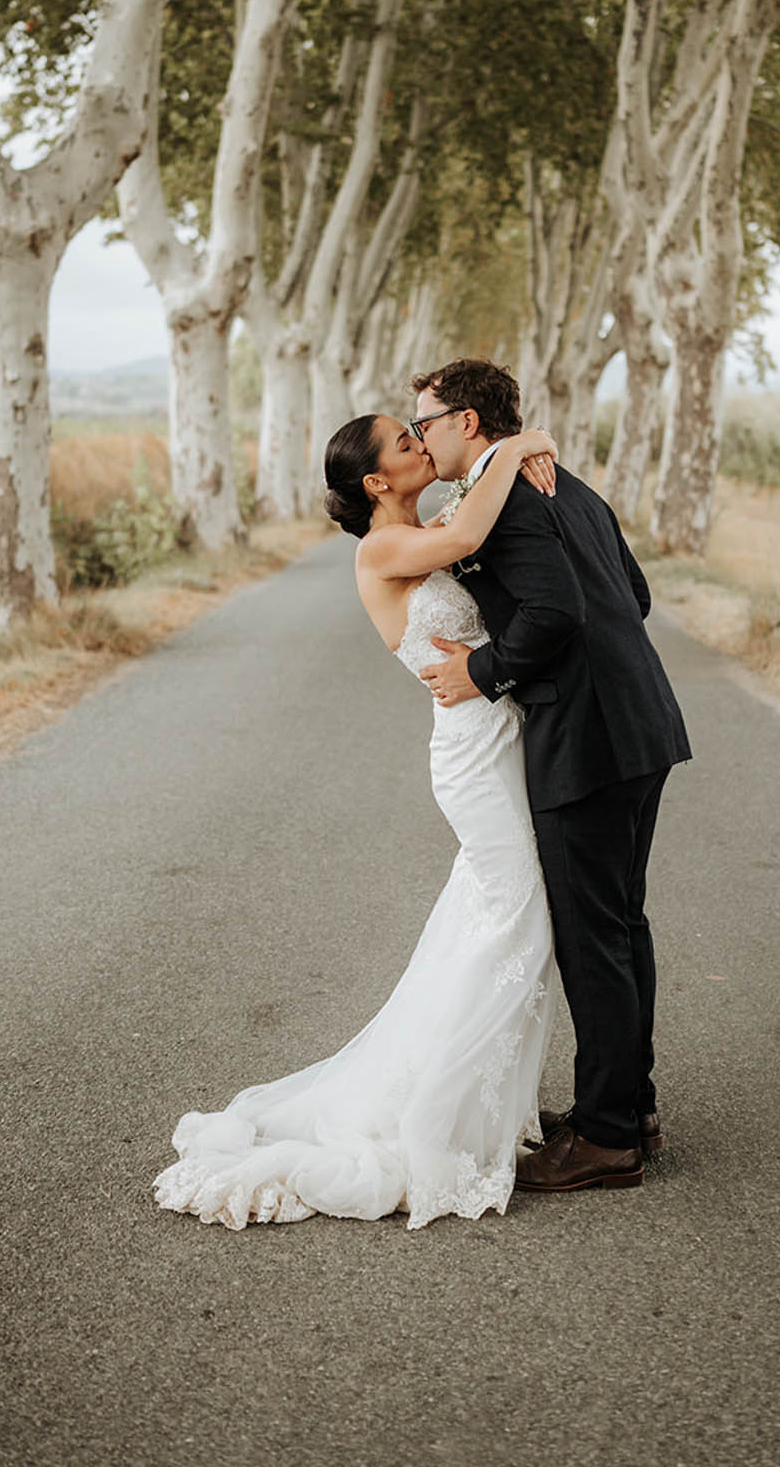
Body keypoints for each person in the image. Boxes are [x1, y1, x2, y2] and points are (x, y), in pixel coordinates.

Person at [153, 413, 563, 1231]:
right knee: (516, 916)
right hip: (471, 754)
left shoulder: (425, 525)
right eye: (406, 444)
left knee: (503, 916)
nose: (421, 446)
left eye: (421, 432)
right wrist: (515, 446)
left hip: (501, 734)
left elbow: (473, 541)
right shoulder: (381, 550)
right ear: (376, 481)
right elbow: (469, 533)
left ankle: (474, 1103)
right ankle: (435, 1111)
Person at [410, 357, 691, 1194]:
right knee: (622, 924)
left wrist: (486, 669)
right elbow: (631, 595)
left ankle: (608, 1138)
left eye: (425, 422)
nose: (421, 436)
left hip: (588, 740)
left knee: (593, 934)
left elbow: (557, 613)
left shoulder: (504, 505)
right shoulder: (562, 483)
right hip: (641, 725)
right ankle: (626, 1104)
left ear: (468, 421)